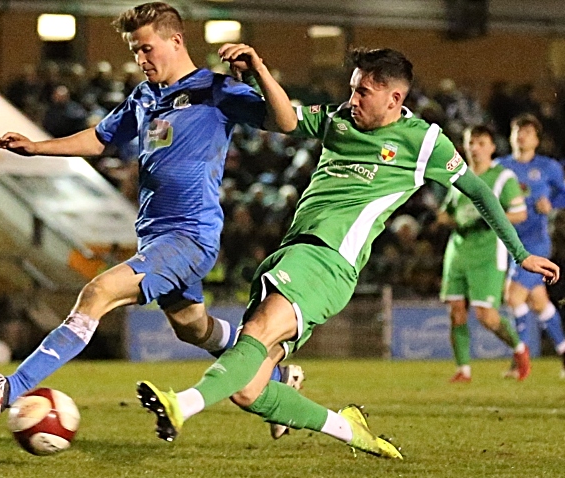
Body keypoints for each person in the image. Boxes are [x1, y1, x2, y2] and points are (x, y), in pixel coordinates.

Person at [136, 46, 560, 459]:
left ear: (394, 98)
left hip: (329, 260)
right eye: (352, 88)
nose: (351, 99)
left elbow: (479, 190)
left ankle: (182, 404)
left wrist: (519, 253)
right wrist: (262, 70)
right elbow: (286, 121)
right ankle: (347, 428)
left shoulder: (424, 142)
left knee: (257, 333)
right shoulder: (339, 119)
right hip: (293, 252)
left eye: (363, 92)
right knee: (249, 389)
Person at [0, 2, 304, 437]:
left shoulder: (214, 90)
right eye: (134, 51)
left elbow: (286, 120)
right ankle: (279, 379)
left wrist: (258, 68)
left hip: (189, 236)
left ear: (176, 41)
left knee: (98, 292)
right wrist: (36, 147)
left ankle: (9, 388)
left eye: (146, 49)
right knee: (192, 329)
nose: (140, 60)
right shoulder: (145, 96)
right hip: (155, 238)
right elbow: (99, 138)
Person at [438, 125, 528, 383]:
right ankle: (463, 370)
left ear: (492, 147)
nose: (474, 148)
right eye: (470, 143)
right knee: (456, 311)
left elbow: (520, 213)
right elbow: (446, 211)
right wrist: (444, 219)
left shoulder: (502, 177)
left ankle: (519, 350)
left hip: (489, 252)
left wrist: (485, 219)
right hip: (458, 251)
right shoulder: (458, 176)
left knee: (486, 316)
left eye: (480, 142)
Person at [497, 114, 565, 378]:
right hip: (508, 243)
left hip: (535, 243)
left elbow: (562, 194)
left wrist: (552, 206)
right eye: (517, 130)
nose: (521, 135)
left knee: (513, 298)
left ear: (536, 139)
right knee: (540, 303)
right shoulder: (501, 166)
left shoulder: (548, 167)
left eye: (527, 131)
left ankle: (521, 359)